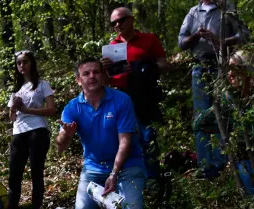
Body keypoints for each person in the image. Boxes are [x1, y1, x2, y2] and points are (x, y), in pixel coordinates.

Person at [57, 59, 149, 209]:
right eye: (86, 74)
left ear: (104, 76)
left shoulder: (121, 100)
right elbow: (60, 145)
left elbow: (125, 141)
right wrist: (67, 134)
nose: (92, 77)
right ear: (78, 80)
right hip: (93, 168)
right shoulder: (72, 107)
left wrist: (114, 173)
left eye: (96, 72)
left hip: (127, 165)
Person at [179, 0, 249, 178]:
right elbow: (181, 42)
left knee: (222, 112)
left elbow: (245, 34)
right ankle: (206, 165)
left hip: (222, 66)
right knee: (201, 116)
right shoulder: (193, 13)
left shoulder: (227, 11)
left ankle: (223, 162)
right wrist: (196, 35)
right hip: (199, 67)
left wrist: (221, 41)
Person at [101, 7, 169, 182]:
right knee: (126, 140)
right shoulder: (112, 47)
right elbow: (107, 81)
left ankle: (153, 179)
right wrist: (104, 70)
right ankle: (133, 179)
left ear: (131, 20)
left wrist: (144, 66)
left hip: (145, 96)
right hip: (121, 98)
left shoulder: (149, 39)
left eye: (121, 20)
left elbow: (165, 65)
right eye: (113, 23)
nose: (117, 25)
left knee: (148, 137)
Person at [7, 51, 56, 209]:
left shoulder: (43, 85)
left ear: (32, 63)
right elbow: (12, 117)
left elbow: (51, 109)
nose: (22, 66)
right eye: (19, 63)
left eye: (25, 62)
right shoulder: (15, 90)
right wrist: (13, 107)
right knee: (14, 176)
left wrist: (28, 110)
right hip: (18, 133)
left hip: (37, 131)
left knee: (36, 173)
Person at [194, 50, 254, 194]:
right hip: (244, 160)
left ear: (247, 70)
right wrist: (226, 127)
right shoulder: (228, 101)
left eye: (235, 69)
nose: (230, 75)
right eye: (228, 70)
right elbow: (199, 124)